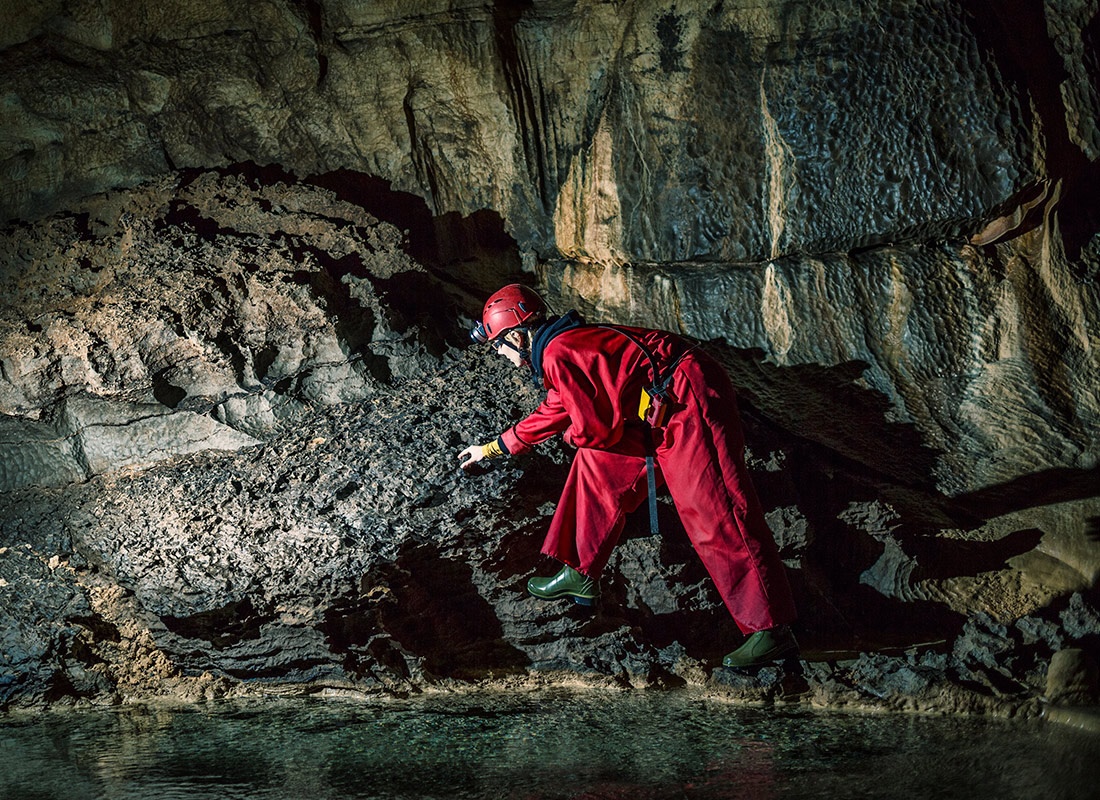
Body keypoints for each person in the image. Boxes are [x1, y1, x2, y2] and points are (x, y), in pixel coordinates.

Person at [457, 284, 798, 668]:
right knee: (597, 466)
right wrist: (494, 447)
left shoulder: (557, 353)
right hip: (658, 407)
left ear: (517, 335)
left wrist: (573, 435)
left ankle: (770, 629)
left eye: (498, 344)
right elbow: (557, 407)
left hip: (688, 400)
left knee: (713, 510)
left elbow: (596, 430)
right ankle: (580, 573)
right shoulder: (560, 348)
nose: (500, 354)